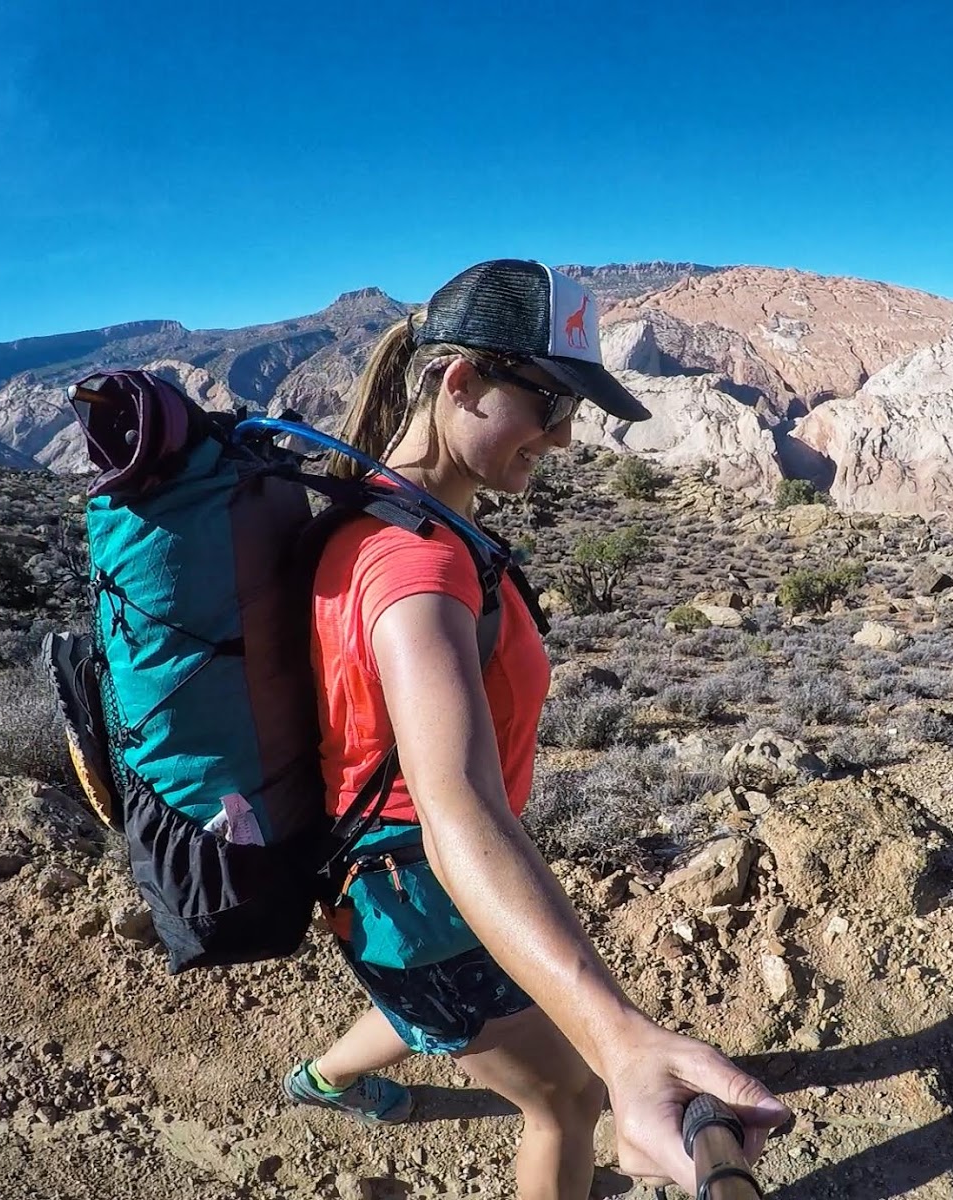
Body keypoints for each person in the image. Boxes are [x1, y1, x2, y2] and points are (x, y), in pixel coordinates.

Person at [282, 259, 788, 1198]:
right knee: (565, 1102)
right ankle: (353, 1071)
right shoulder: (416, 572)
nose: (562, 439)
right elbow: (458, 808)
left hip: (393, 899)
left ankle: (321, 1078)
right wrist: (618, 1036)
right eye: (550, 403)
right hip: (425, 895)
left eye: (575, 413)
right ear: (460, 381)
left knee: (446, 1006)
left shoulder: (405, 519)